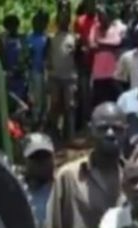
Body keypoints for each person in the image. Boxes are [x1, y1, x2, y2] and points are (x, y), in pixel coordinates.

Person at [45, 103, 127, 228]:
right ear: (91, 130)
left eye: (117, 129)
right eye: (102, 128)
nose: (110, 134)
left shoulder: (135, 179)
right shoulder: (69, 176)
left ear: (126, 131)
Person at [48, 2, 79, 144]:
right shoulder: (52, 38)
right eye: (61, 20)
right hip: (55, 77)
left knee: (70, 107)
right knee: (54, 106)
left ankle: (70, 137)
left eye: (66, 20)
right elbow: (48, 57)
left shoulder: (74, 38)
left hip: (70, 77)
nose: (63, 22)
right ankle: (54, 135)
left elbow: (78, 58)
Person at [22, 133, 56, 228]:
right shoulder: (19, 192)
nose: (42, 162)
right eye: (36, 157)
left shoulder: (63, 188)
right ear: (24, 160)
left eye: (45, 156)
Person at [89, 5, 127, 107]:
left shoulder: (116, 28)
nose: (100, 17)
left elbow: (117, 43)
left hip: (113, 74)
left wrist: (100, 44)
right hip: (98, 74)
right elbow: (92, 45)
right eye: (99, 15)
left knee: (113, 102)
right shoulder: (95, 27)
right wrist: (109, 47)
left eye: (102, 15)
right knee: (98, 103)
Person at [74, 0, 97, 127]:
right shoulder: (80, 20)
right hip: (84, 62)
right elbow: (77, 39)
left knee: (95, 92)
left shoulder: (100, 19)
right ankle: (84, 121)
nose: (91, 6)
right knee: (84, 92)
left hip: (98, 63)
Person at [27, 11, 50, 128]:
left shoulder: (47, 38)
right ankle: (36, 121)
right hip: (35, 72)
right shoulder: (29, 38)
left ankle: (45, 121)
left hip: (46, 72)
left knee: (47, 99)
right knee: (37, 99)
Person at [0, 15, 28, 103]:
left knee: (21, 101)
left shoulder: (22, 39)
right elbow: (2, 57)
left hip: (20, 76)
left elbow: (26, 55)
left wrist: (20, 68)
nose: (12, 28)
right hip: (8, 77)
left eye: (13, 26)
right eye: (9, 26)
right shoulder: (3, 40)